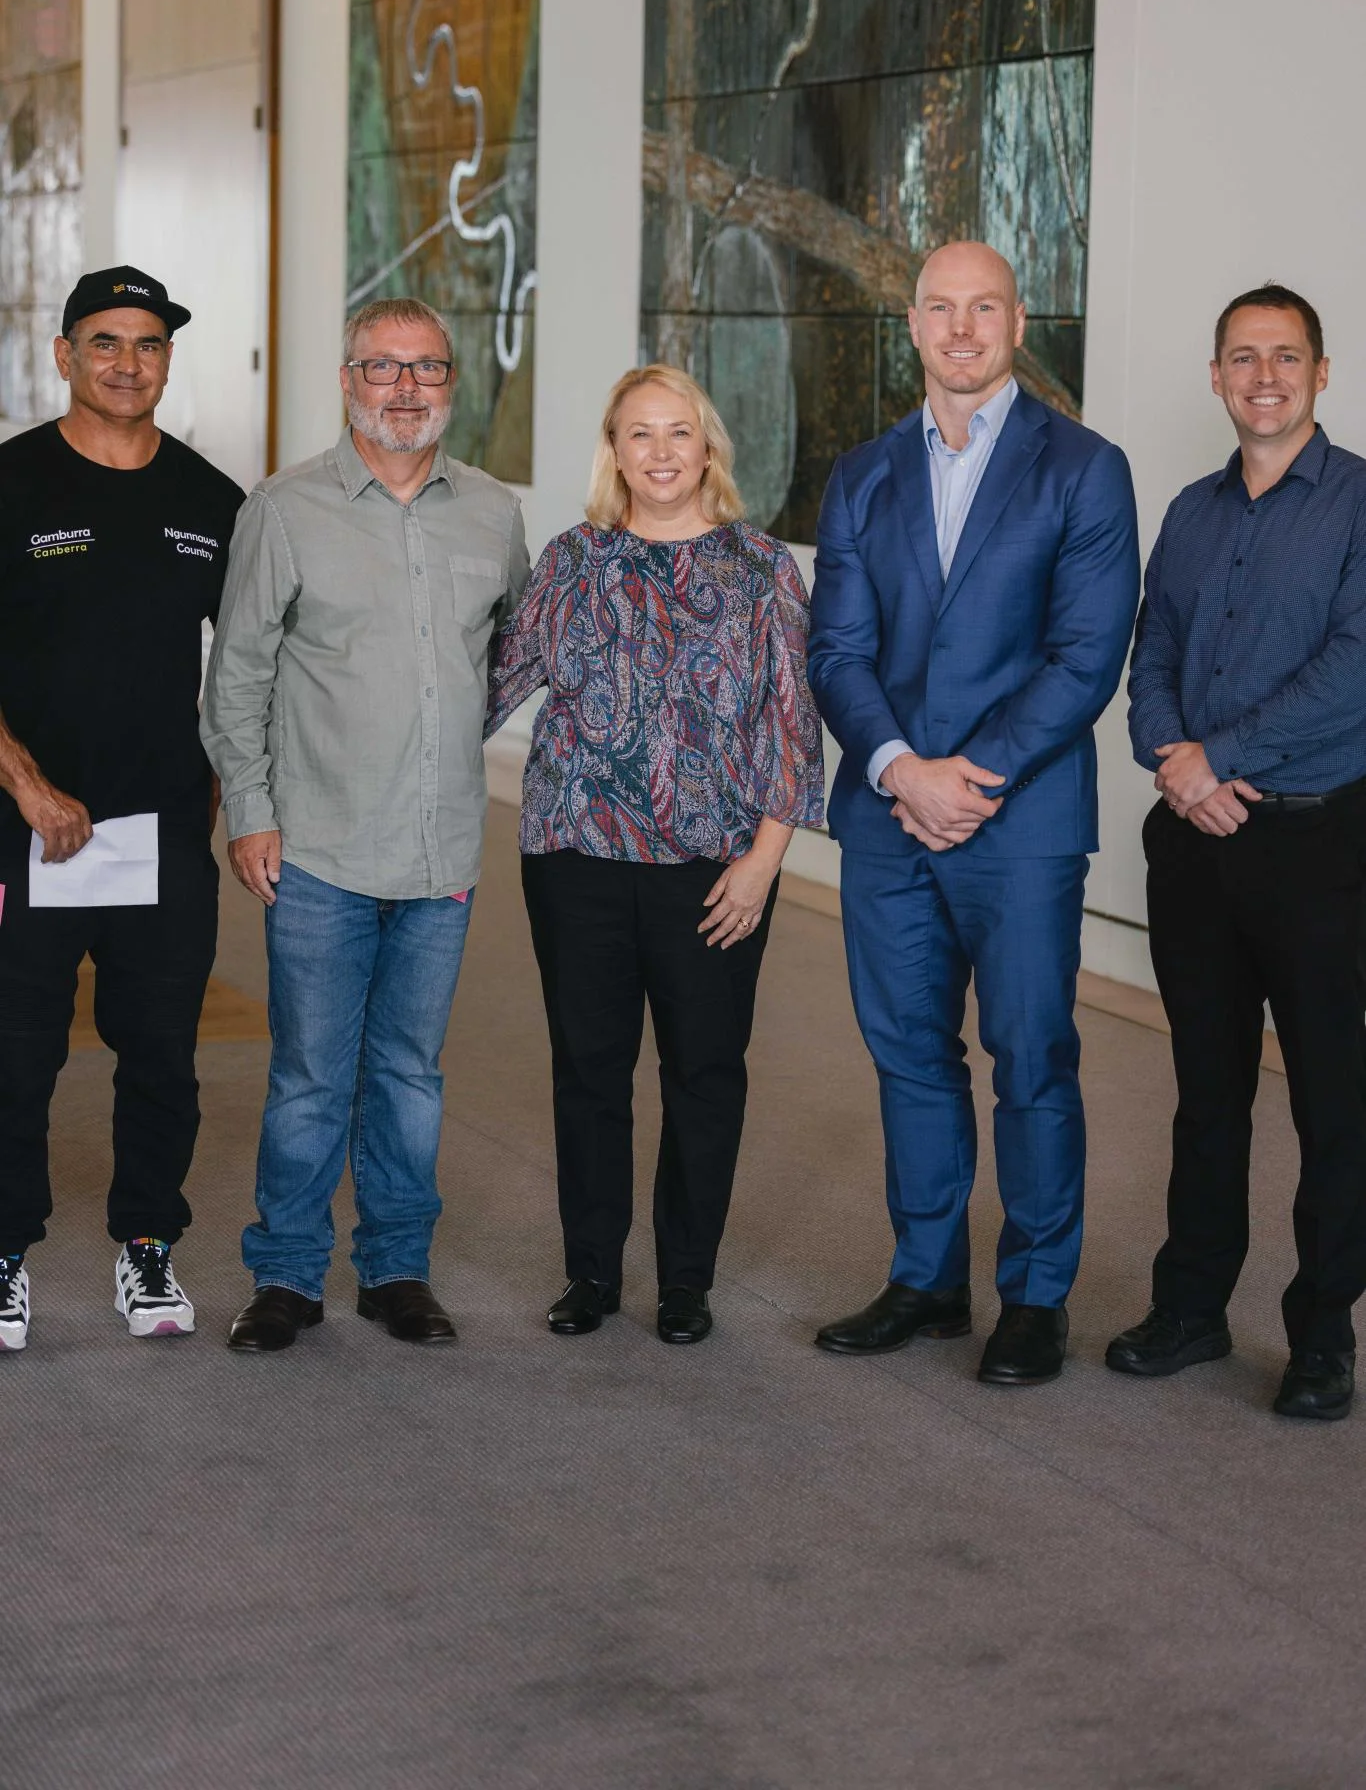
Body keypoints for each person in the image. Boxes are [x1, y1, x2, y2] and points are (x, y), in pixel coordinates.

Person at [807, 241, 1139, 1386]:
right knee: (909, 1056)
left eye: (983, 307)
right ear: (911, 324)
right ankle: (926, 1278)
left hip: (1022, 819)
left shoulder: (1085, 467)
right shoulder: (860, 475)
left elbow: (1085, 655)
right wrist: (902, 768)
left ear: (1017, 319)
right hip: (886, 817)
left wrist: (966, 776)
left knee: (1031, 1055)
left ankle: (1036, 1295)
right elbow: (837, 649)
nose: (961, 328)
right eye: (940, 308)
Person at [201, 296, 529, 1353]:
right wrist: (250, 811)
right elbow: (236, 677)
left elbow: (510, 651)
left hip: (439, 850)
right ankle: (288, 1275)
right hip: (319, 847)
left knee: (409, 1074)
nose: (404, 389)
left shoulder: (490, 510)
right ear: (347, 381)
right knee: (308, 1072)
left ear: (450, 381)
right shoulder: (286, 508)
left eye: (426, 369)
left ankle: (395, 1267)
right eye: (381, 368)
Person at [485, 364, 823, 1344]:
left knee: (703, 1072)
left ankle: (685, 1279)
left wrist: (764, 861)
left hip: (713, 869)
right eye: (640, 434)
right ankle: (589, 1272)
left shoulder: (762, 569)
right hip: (575, 856)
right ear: (614, 450)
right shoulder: (570, 560)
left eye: (679, 431)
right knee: (589, 1070)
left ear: (707, 446)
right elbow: (491, 687)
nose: (662, 451)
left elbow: (793, 727)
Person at [1109, 283, 1366, 1422]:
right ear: (1215, 377)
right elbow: (1150, 651)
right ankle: (1192, 1306)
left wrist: (1217, 754)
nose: (1264, 375)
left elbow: (1354, 668)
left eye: (1286, 356)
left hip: (1319, 843)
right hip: (1194, 851)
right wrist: (1175, 755)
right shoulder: (1191, 510)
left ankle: (1322, 1334)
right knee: (1206, 1091)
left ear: (1320, 372)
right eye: (1242, 357)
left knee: (1330, 1097)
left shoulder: (1359, 503)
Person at [0, 265, 244, 1354]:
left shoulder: (210, 500)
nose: (128, 363)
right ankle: (5, 1251)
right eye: (105, 342)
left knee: (161, 1054)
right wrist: (26, 784)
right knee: (16, 1052)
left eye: (147, 345)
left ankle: (147, 1243)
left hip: (160, 832)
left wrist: (238, 796)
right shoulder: (11, 483)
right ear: (63, 354)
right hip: (29, 825)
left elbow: (249, 668)